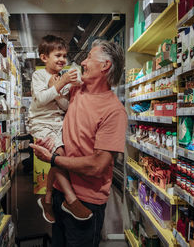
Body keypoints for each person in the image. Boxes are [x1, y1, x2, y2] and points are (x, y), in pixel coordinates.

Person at [31, 39, 127, 247]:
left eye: (89, 58)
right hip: (60, 193)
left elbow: (97, 165)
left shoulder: (114, 111)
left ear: (105, 66)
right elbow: (50, 94)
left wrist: (54, 159)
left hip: (86, 201)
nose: (82, 62)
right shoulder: (76, 91)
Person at [28, 35, 93, 224]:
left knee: (58, 160)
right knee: (60, 156)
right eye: (57, 55)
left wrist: (58, 88)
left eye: (64, 56)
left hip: (58, 123)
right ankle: (71, 200)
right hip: (40, 123)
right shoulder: (39, 75)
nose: (62, 60)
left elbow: (65, 106)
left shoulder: (62, 77)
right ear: (44, 58)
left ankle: (47, 200)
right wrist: (59, 84)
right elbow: (40, 100)